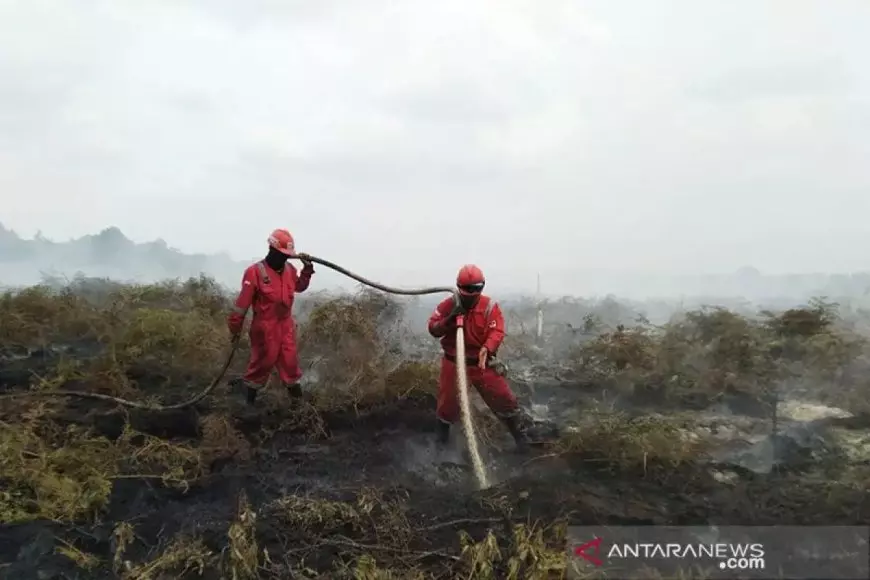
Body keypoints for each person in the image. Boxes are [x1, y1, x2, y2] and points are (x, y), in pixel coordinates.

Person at [427, 264, 528, 449]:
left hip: (482, 364)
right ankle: (440, 447)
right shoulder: (448, 305)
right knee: (447, 406)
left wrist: (488, 347)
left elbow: (497, 330)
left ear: (482, 287)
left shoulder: (489, 306)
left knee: (504, 399)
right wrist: (449, 320)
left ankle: (522, 440)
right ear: (459, 287)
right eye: (467, 291)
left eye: (476, 290)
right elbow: (433, 328)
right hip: (454, 363)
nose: (471, 295)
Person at [227, 228, 314, 404]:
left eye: (287, 255)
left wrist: (307, 269)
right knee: (261, 366)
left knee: (290, 366)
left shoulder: (289, 270)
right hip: (265, 329)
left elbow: (299, 286)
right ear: (271, 250)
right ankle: (246, 407)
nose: (284, 258)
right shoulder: (255, 272)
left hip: (285, 327)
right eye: (281, 254)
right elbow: (241, 306)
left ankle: (300, 409)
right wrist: (235, 328)